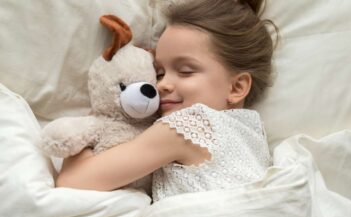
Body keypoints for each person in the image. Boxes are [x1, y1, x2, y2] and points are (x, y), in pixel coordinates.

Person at [56, 0, 278, 202]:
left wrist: (92, 123)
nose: (161, 85)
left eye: (185, 71)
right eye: (160, 72)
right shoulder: (254, 134)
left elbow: (73, 181)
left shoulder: (187, 126)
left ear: (237, 87)